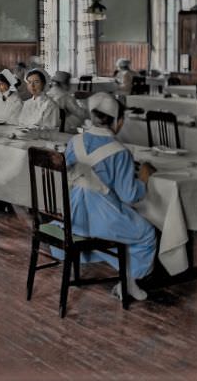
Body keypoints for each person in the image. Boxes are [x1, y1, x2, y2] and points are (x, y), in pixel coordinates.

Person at [62, 92, 157, 301]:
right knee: (147, 234)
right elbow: (130, 196)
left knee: (120, 229)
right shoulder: (119, 151)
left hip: (74, 214)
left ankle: (122, 276)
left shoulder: (75, 141)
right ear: (118, 121)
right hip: (101, 218)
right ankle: (129, 280)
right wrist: (143, 178)